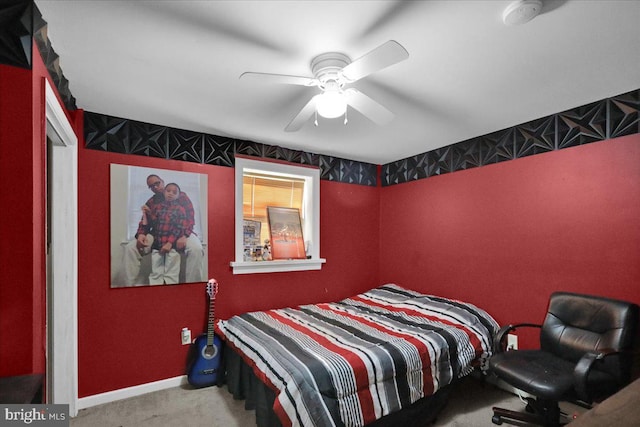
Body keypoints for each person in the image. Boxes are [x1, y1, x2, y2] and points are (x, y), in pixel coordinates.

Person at [120, 174, 204, 285]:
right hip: (158, 232)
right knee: (131, 247)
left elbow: (190, 219)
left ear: (162, 181)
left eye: (157, 183)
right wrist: (141, 234)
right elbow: (145, 221)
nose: (155, 187)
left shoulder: (181, 196)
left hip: (180, 231)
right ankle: (128, 288)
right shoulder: (152, 201)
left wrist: (184, 236)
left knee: (196, 249)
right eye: (151, 186)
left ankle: (194, 288)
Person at [140, 183, 187, 284]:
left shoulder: (180, 209)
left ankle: (171, 293)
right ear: (164, 192)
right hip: (157, 244)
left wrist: (169, 243)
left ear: (178, 195)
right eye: (168, 191)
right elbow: (154, 222)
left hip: (172, 246)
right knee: (156, 272)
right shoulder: (158, 207)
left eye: (174, 192)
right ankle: (156, 293)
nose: (170, 194)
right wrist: (147, 213)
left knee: (172, 273)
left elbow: (178, 228)